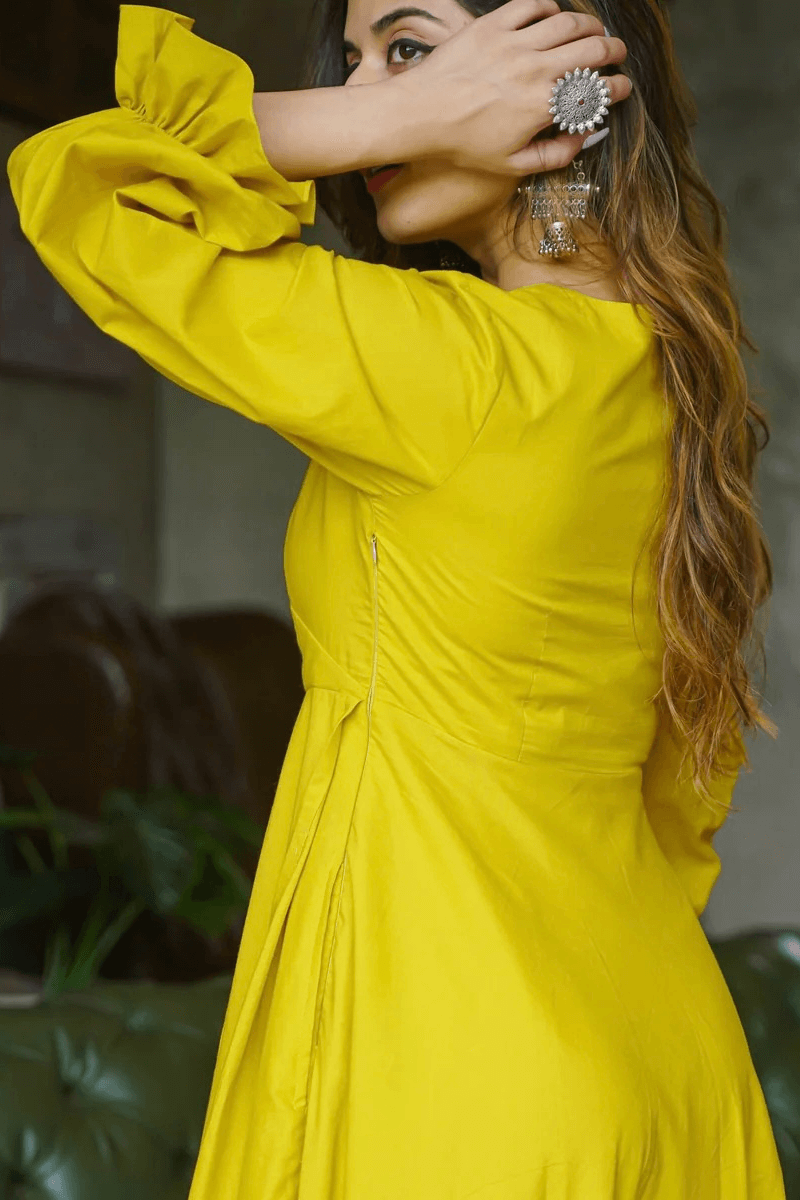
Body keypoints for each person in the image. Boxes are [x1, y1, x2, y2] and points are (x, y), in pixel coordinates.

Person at [6, 0, 785, 1195]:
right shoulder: (664, 375)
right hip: (656, 1052)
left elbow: (87, 181)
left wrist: (409, 118)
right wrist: (430, 101)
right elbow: (678, 804)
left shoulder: (461, 370)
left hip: (459, 1070)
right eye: (356, 65)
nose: (366, 99)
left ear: (558, 82)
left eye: (410, 51)